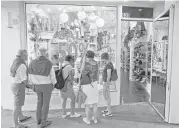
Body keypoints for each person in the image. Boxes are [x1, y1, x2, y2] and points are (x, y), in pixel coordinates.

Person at [28, 48, 57, 128]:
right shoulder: (48, 63)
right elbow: (52, 76)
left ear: (38, 53)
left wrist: (32, 84)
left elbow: (29, 75)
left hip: (36, 85)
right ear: (45, 53)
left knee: (39, 102)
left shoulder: (32, 62)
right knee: (45, 103)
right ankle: (44, 122)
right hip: (47, 86)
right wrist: (54, 84)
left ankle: (38, 120)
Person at [10, 49, 31, 128]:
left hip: (15, 84)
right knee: (17, 106)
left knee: (18, 104)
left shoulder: (16, 61)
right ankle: (15, 124)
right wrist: (31, 86)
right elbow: (24, 80)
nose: (27, 56)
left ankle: (21, 117)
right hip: (19, 86)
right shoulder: (22, 65)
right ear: (22, 55)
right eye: (26, 55)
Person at [81, 50, 99, 124]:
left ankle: (88, 120)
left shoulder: (85, 63)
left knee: (87, 104)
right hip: (94, 84)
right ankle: (95, 119)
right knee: (95, 103)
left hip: (86, 84)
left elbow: (81, 72)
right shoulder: (96, 63)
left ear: (87, 56)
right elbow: (97, 74)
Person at [101, 52, 113, 117]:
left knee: (107, 97)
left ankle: (109, 112)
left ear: (104, 58)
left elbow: (108, 75)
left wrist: (107, 84)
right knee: (107, 96)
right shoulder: (108, 64)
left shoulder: (108, 65)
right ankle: (108, 109)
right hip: (106, 82)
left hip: (106, 83)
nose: (102, 61)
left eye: (102, 59)